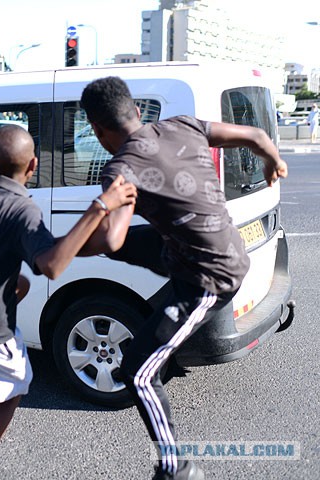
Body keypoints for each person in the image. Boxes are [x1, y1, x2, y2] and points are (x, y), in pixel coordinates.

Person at [78, 76, 288, 480]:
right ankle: (166, 282)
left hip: (210, 280)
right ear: (138, 112)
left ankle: (177, 468)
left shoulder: (121, 169)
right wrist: (273, 162)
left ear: (97, 131)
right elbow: (257, 135)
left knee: (137, 371)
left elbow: (111, 236)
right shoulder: (183, 125)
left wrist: (64, 248)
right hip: (204, 249)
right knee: (141, 241)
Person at [0, 96, 137, 480]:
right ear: (33, 165)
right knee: (15, 392)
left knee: (19, 283)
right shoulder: (23, 209)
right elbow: (53, 266)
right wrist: (100, 207)